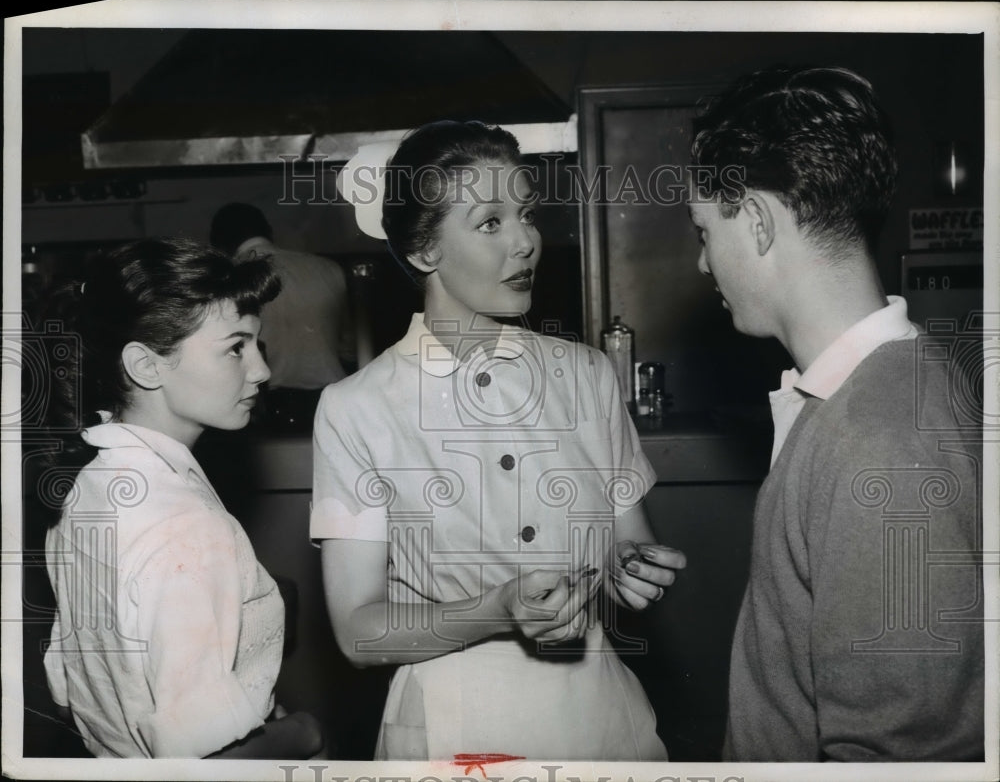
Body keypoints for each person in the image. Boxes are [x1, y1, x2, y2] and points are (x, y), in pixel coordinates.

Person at [312, 121, 685, 761]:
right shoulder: (357, 409)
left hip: (601, 719)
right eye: (490, 222)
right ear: (425, 250)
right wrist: (497, 611)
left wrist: (629, 568)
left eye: (527, 214)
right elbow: (358, 632)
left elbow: (628, 541)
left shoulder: (588, 376)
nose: (526, 241)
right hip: (452, 731)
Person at [688, 66, 984, 760]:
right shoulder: (882, 392)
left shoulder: (879, 441)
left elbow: (899, 755)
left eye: (703, 232)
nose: (703, 264)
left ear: (756, 221)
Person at [41, 238, 323, 758]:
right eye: (235, 347)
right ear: (146, 366)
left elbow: (72, 694)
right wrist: (306, 732)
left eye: (257, 345)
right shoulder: (186, 525)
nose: (261, 370)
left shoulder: (87, 486)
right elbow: (208, 762)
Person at [209, 202, 354, 389]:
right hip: (332, 392)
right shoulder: (329, 268)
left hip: (264, 396)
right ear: (268, 231)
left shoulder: (228, 277)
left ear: (219, 244)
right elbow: (349, 348)